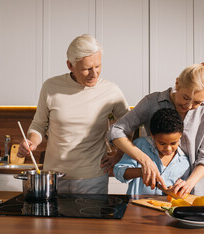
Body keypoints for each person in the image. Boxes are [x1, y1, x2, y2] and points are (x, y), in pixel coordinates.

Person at [17, 34, 129, 194]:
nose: (94, 74)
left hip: (93, 179)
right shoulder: (51, 87)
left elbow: (130, 125)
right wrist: (32, 142)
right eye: (87, 69)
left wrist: (119, 156)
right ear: (70, 65)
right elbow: (38, 125)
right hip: (53, 178)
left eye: (98, 66)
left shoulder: (111, 91)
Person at [108, 62, 204, 197]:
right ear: (177, 84)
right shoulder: (152, 102)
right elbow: (116, 130)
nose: (189, 106)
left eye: (197, 102)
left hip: (190, 192)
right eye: (186, 98)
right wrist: (144, 160)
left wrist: (188, 184)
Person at [113, 108, 190, 195]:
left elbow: (183, 191)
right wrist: (142, 172)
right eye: (162, 143)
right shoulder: (140, 145)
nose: (168, 148)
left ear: (180, 135)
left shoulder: (184, 162)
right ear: (152, 136)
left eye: (173, 143)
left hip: (166, 207)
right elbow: (118, 172)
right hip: (136, 206)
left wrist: (176, 190)